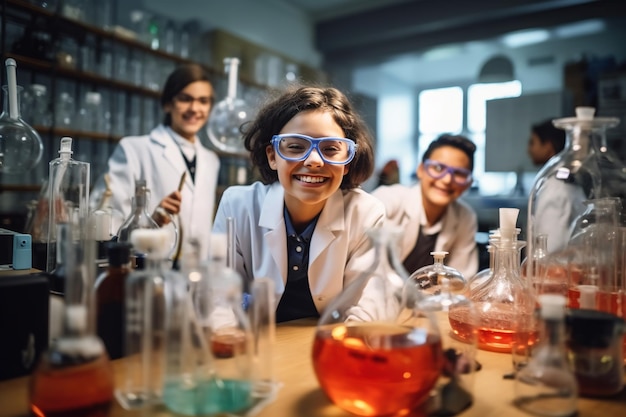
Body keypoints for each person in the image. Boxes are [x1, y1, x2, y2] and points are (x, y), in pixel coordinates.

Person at [212, 85, 385, 323]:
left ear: (347, 161)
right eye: (295, 147)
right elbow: (217, 297)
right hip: (256, 346)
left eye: (330, 149)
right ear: (273, 156)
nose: (314, 160)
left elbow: (370, 302)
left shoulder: (366, 213)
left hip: (330, 344)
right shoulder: (238, 205)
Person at [91, 64, 220, 259]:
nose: (194, 108)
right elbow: (106, 220)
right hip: (148, 266)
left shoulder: (212, 161)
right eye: (185, 99)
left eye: (203, 101)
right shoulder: (134, 149)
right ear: (168, 104)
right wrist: (152, 218)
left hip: (196, 271)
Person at [372, 134, 478, 280]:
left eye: (459, 173)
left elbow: (461, 280)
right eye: (438, 168)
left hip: (429, 301)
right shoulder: (388, 199)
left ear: (468, 183)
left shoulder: (465, 217)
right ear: (421, 169)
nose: (447, 180)